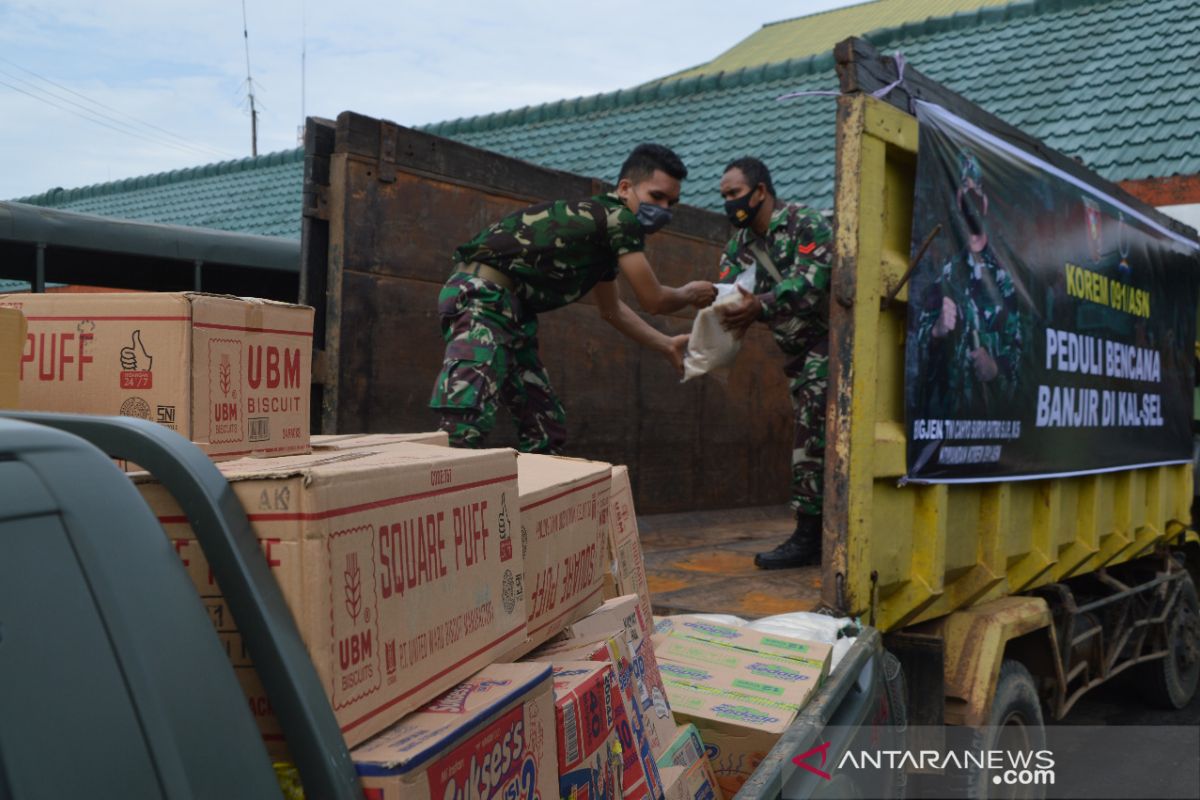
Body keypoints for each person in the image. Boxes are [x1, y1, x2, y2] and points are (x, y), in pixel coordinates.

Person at [430, 143, 717, 453]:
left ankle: (539, 495)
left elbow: (612, 310)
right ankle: (438, 495)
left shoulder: (602, 236)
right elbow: (653, 300)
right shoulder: (619, 218)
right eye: (656, 197)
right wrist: (690, 293)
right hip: (482, 296)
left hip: (513, 310)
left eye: (671, 203)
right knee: (464, 419)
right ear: (625, 188)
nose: (663, 210)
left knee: (545, 425)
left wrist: (664, 343)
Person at [714, 157, 833, 569]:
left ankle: (810, 531)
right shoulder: (740, 245)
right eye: (724, 196)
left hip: (836, 343)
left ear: (760, 191)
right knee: (812, 415)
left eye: (735, 194)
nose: (730, 203)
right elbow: (727, 294)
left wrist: (758, 306)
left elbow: (811, 286)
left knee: (813, 412)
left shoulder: (807, 224)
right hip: (797, 354)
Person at [913, 151, 1025, 418]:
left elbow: (1029, 359)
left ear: (985, 203)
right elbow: (917, 352)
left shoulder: (1012, 278)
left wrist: (995, 368)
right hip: (950, 428)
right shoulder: (945, 275)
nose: (972, 201)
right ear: (958, 201)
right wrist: (937, 332)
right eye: (965, 192)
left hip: (997, 427)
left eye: (977, 193)